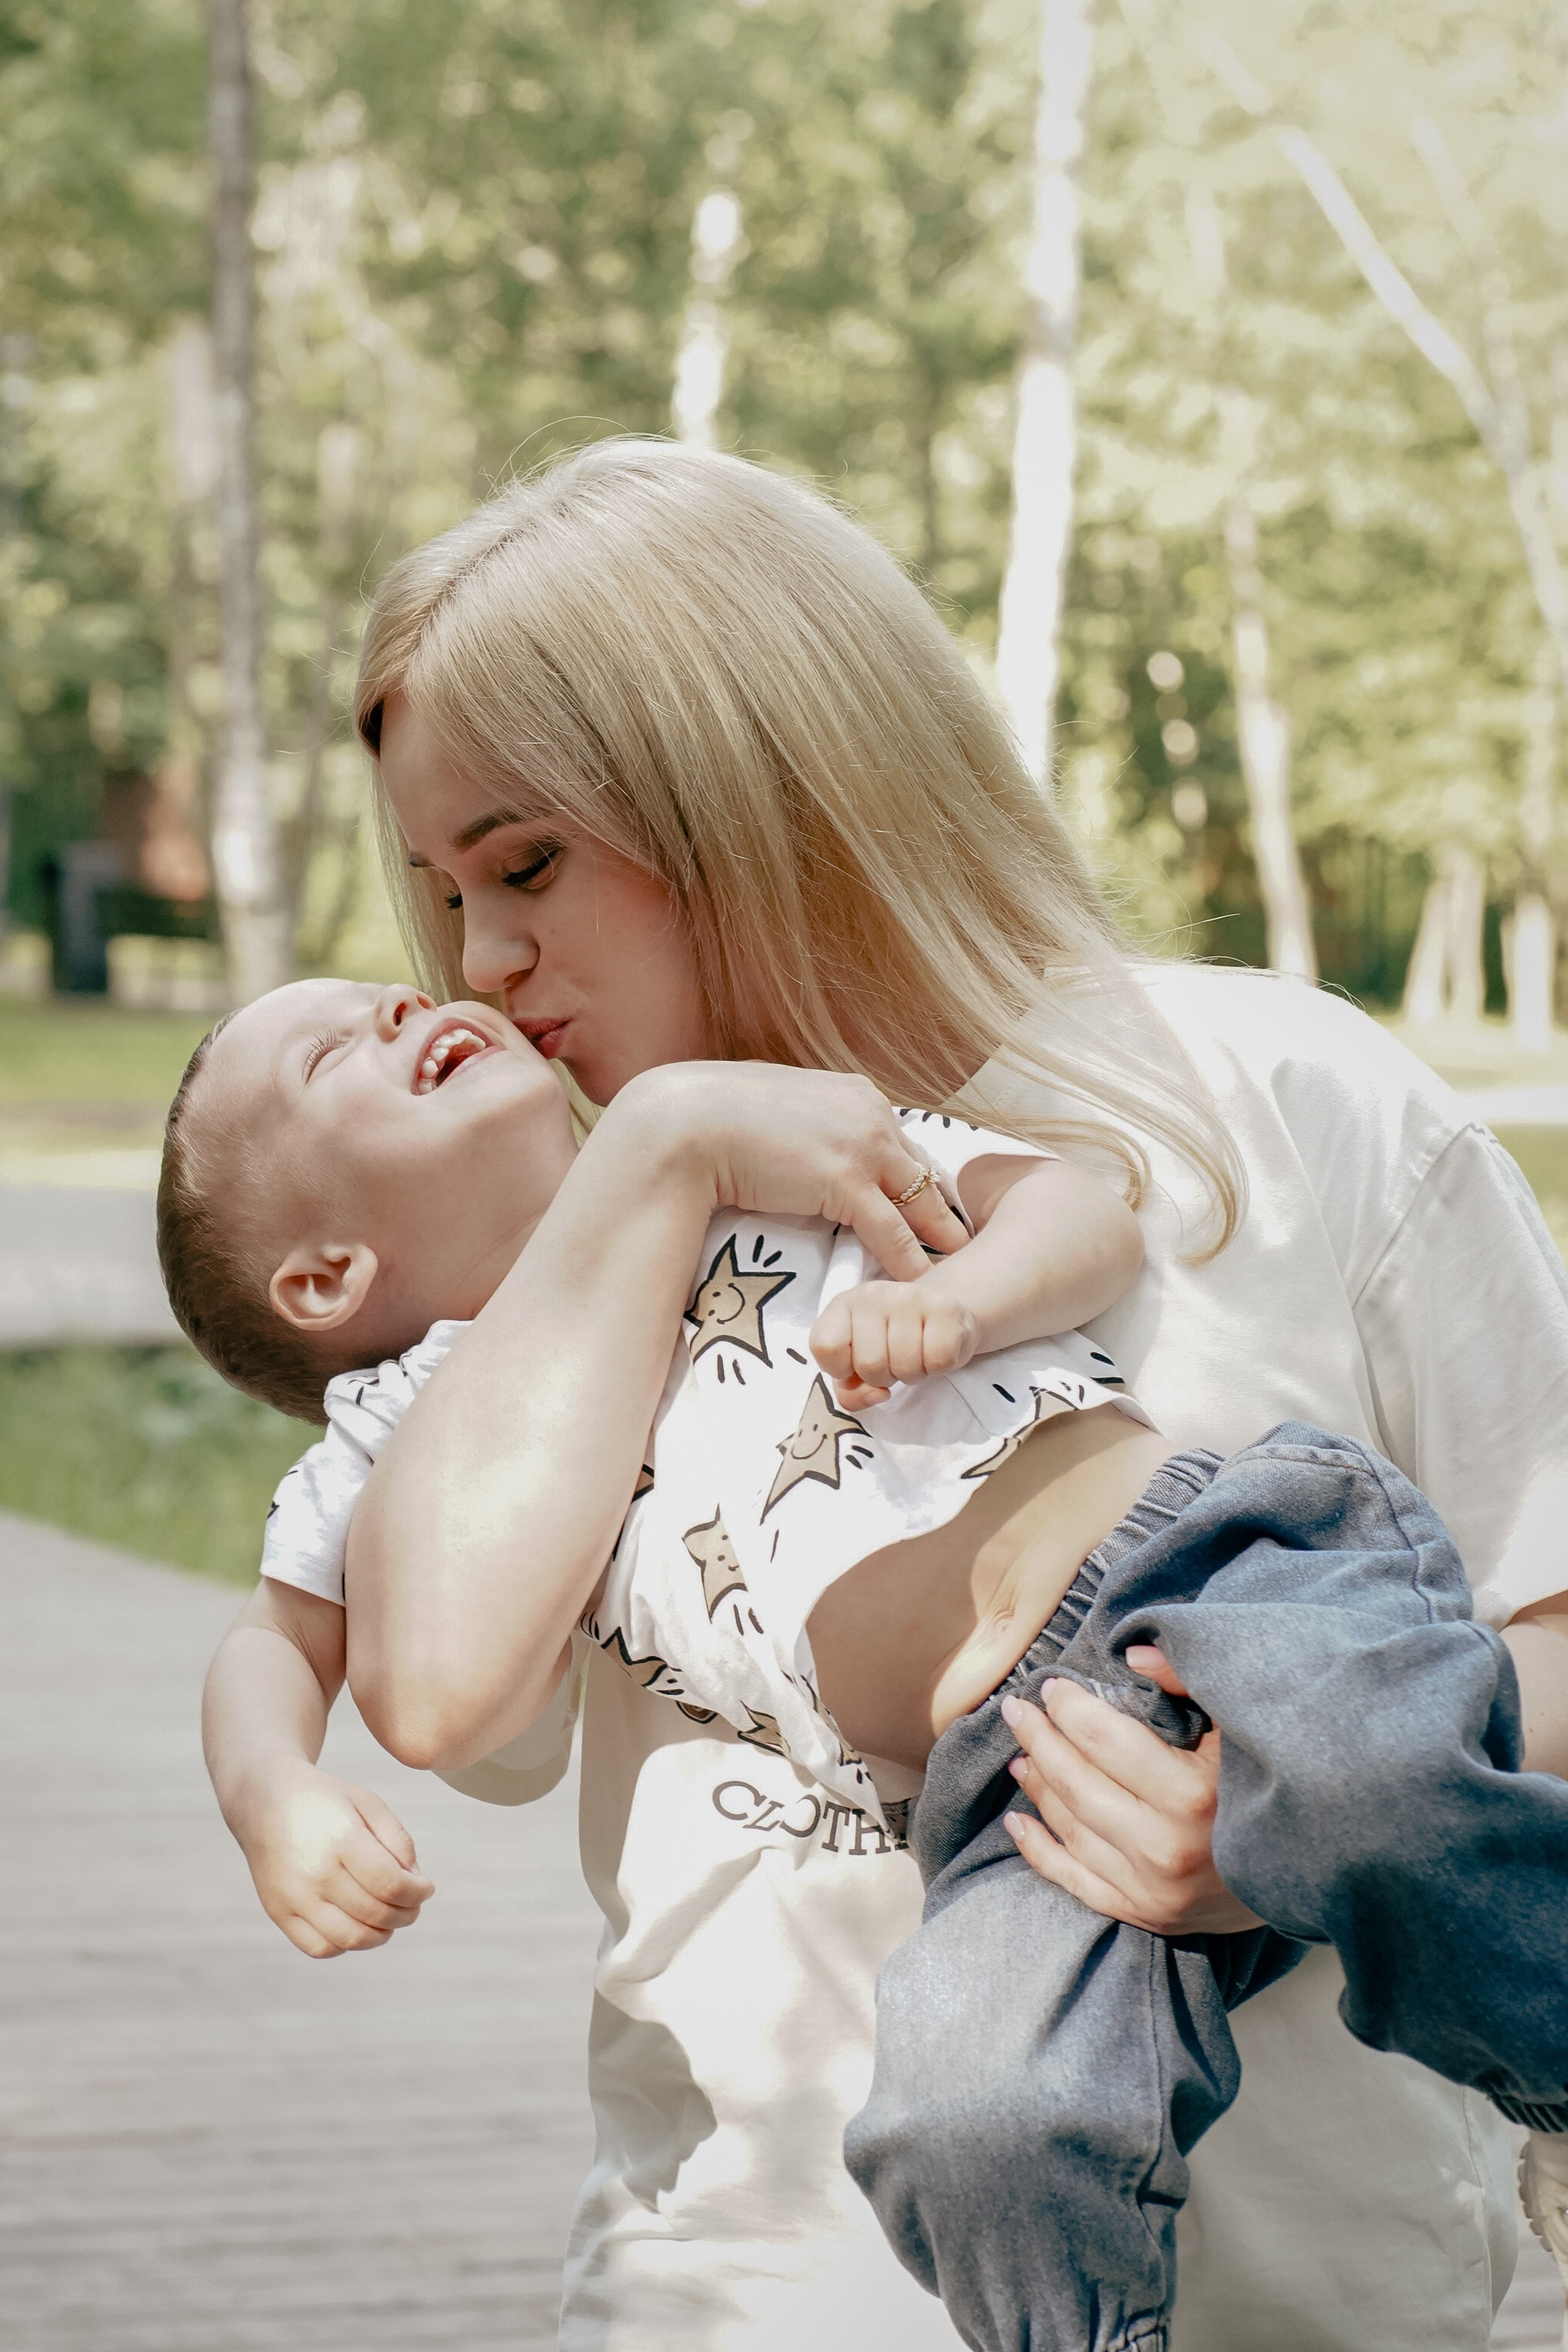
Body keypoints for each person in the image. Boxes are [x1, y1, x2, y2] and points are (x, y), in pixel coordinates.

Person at [230, 438, 1568, 2350]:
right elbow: (441, 1694)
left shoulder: (1281, 1102)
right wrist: (660, 1153)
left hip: (1321, 2308)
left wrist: (1280, 1806)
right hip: (732, 2298)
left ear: (761, 781)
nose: (481, 957)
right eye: (443, 897)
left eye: (525, 865)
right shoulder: (551, 1260)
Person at [175, 975, 1568, 2352]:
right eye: (332, 1052)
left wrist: (967, 1299)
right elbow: (271, 1645)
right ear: (322, 1277)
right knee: (968, 2125)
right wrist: (273, 1794)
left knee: (1368, 1788)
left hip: (1209, 1572)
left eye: (386, 995)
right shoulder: (412, 1435)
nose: (414, 1003)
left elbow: (1076, 1210)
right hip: (1006, 1797)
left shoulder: (757, 1153)